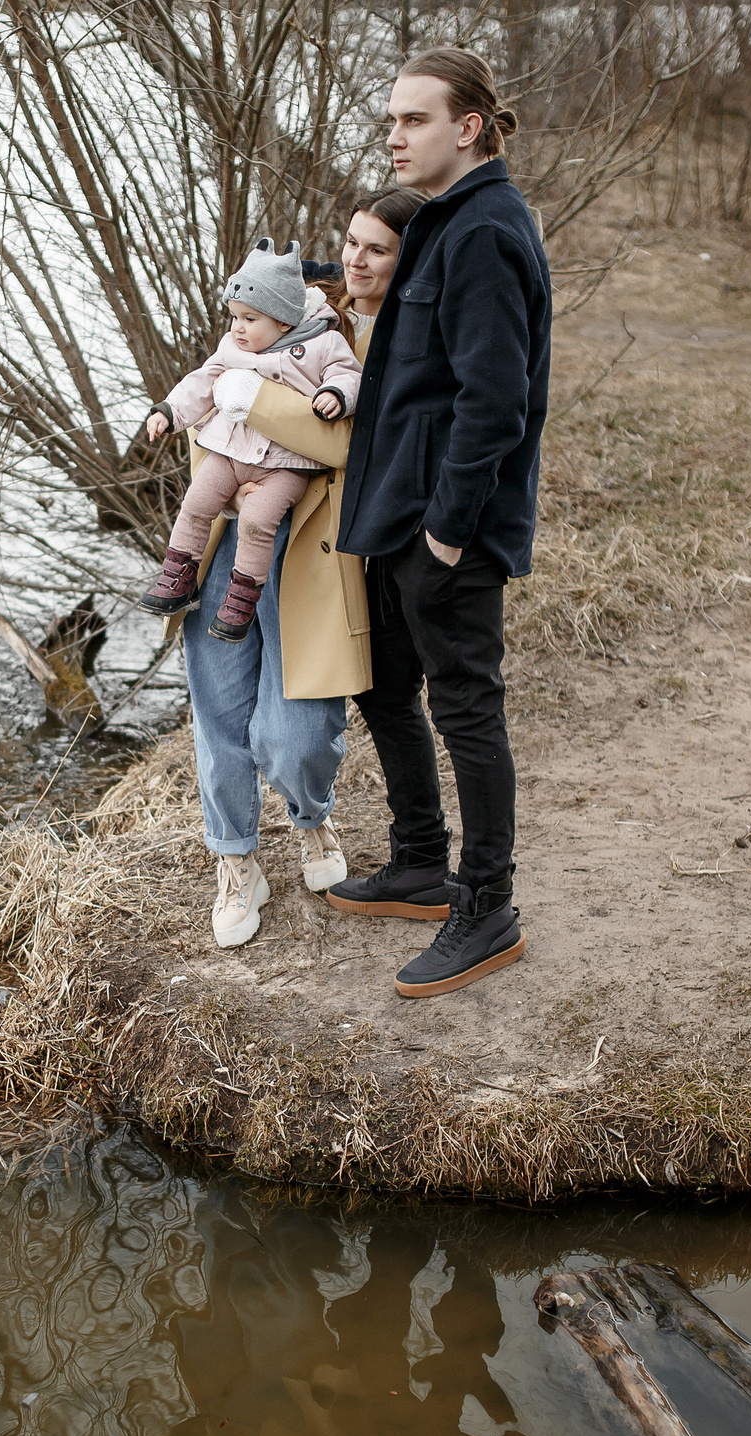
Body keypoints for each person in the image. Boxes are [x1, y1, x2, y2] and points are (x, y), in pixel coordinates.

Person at [326, 48, 552, 1000]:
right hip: (397, 514)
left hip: (445, 526)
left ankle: (486, 906)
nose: (394, 136)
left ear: (468, 127)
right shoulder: (443, 221)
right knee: (384, 686)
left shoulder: (486, 232)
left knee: (466, 710)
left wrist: (449, 531)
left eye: (413, 119)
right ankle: (421, 860)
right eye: (390, 120)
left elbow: (494, 401)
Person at [167, 193, 426, 950]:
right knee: (220, 713)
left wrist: (258, 406)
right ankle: (236, 860)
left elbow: (349, 444)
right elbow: (207, 402)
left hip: (309, 553)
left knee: (299, 734)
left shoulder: (381, 338)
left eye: (378, 249)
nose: (357, 260)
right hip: (226, 540)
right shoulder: (275, 313)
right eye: (352, 244)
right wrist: (226, 442)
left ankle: (311, 816)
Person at [139, 240, 363, 646]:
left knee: (258, 520)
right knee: (197, 502)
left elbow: (349, 375)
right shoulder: (232, 348)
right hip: (230, 451)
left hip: (285, 464)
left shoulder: (323, 343)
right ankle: (177, 576)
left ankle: (242, 597)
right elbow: (202, 381)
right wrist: (169, 411)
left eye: (249, 318)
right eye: (234, 317)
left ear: (283, 321)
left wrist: (336, 394)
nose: (237, 328)